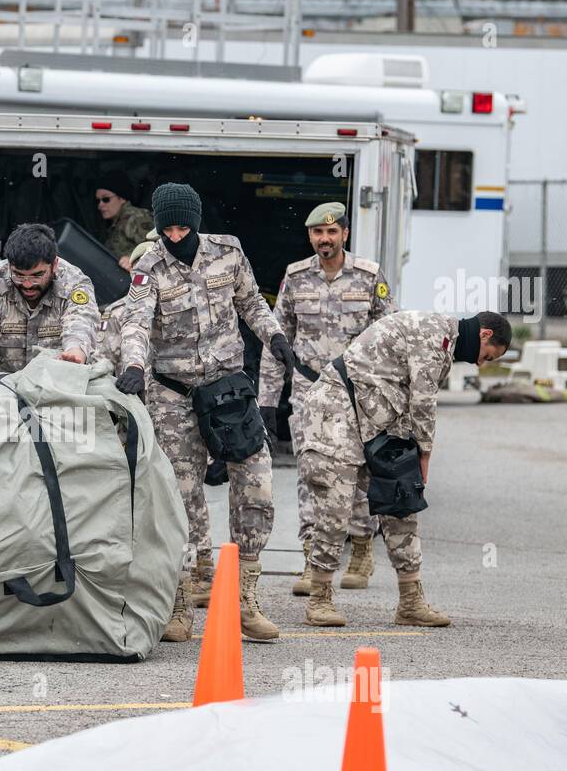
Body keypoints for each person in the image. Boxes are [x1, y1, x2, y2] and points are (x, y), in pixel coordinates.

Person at [116, 182, 297, 643]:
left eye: (182, 226)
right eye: (167, 227)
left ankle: (245, 599)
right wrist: (134, 366)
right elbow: (136, 321)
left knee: (256, 485)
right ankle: (180, 600)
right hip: (173, 395)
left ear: (196, 222)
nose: (175, 235)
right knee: (181, 497)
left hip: (228, 392)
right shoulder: (148, 264)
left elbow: (252, 301)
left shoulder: (228, 252)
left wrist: (274, 336)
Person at [300, 309, 511, 628]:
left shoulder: (447, 344)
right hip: (336, 409)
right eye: (488, 356)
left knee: (402, 501)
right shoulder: (434, 334)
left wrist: (407, 470)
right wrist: (424, 456)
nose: (481, 363)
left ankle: (410, 602)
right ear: (484, 335)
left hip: (379, 422)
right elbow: (423, 401)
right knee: (336, 507)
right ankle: (320, 599)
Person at [258, 201, 396, 595]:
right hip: (309, 392)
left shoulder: (369, 277)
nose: (325, 239)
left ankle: (361, 548)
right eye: (318, 233)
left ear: (345, 235)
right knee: (311, 473)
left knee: (358, 474)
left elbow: (391, 335)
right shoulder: (295, 277)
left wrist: (389, 395)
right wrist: (268, 400)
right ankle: (310, 558)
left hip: (358, 394)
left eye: (332, 232)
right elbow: (275, 339)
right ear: (310, 236)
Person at [0, 223, 99, 375]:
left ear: (54, 264)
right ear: (9, 265)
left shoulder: (73, 282)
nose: (28, 284)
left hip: (56, 378)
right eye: (19, 275)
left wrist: (74, 352)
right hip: (4, 381)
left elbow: (81, 322)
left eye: (37, 275)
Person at [98, 231, 158, 372]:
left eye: (154, 267)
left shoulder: (184, 301)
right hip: (133, 391)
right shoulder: (115, 312)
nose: (147, 273)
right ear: (131, 271)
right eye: (140, 268)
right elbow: (101, 362)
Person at [96, 172, 156, 271]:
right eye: (98, 201)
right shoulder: (116, 222)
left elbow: (156, 246)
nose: (100, 205)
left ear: (122, 198)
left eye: (106, 199)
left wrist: (133, 258)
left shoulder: (135, 217)